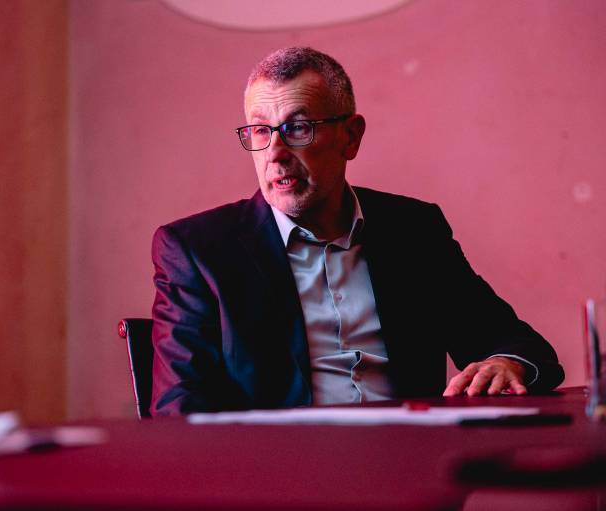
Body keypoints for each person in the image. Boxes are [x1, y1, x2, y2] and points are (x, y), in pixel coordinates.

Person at [150, 47, 564, 417]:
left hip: (408, 461)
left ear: (350, 137)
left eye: (298, 128)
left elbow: (521, 346)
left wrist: (505, 363)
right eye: (260, 130)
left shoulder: (413, 230)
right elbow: (179, 410)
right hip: (280, 470)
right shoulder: (198, 251)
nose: (275, 153)